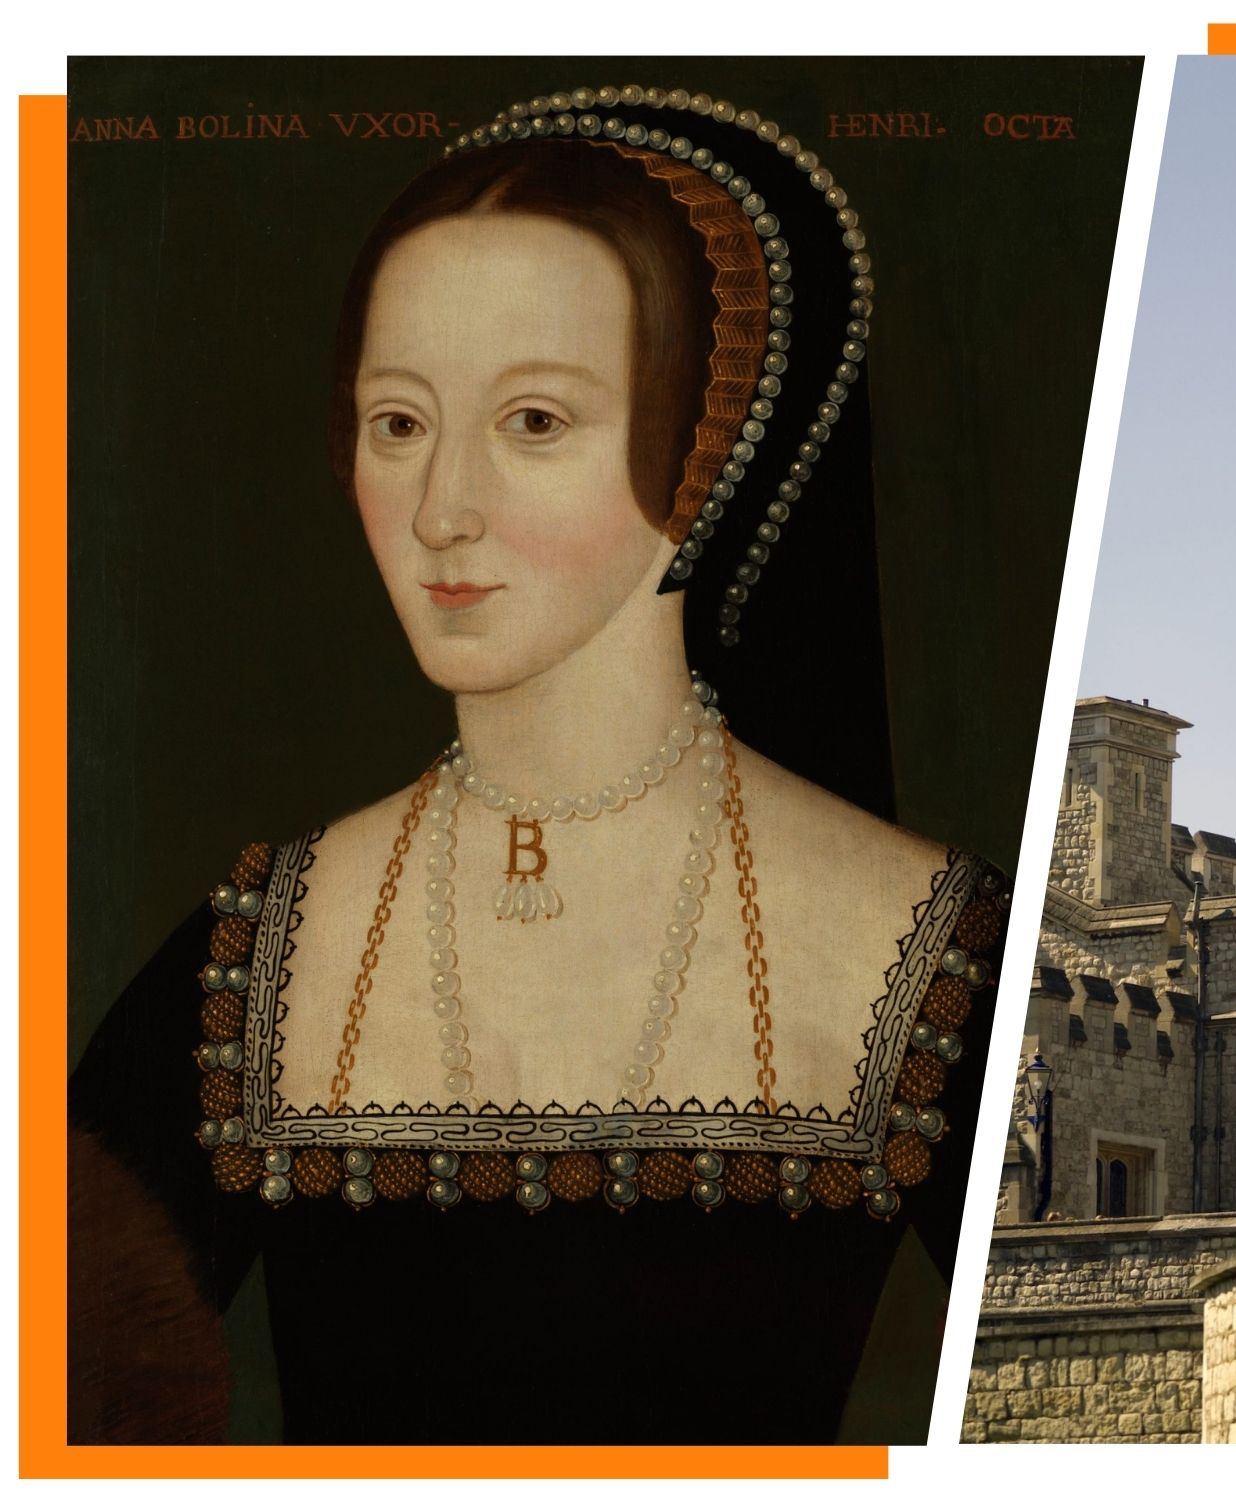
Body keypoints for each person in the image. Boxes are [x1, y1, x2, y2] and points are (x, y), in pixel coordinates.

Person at [68, 81, 1007, 1446]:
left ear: (706, 438)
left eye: (535, 424)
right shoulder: (249, 957)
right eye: (398, 423)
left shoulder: (927, 945)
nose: (443, 509)